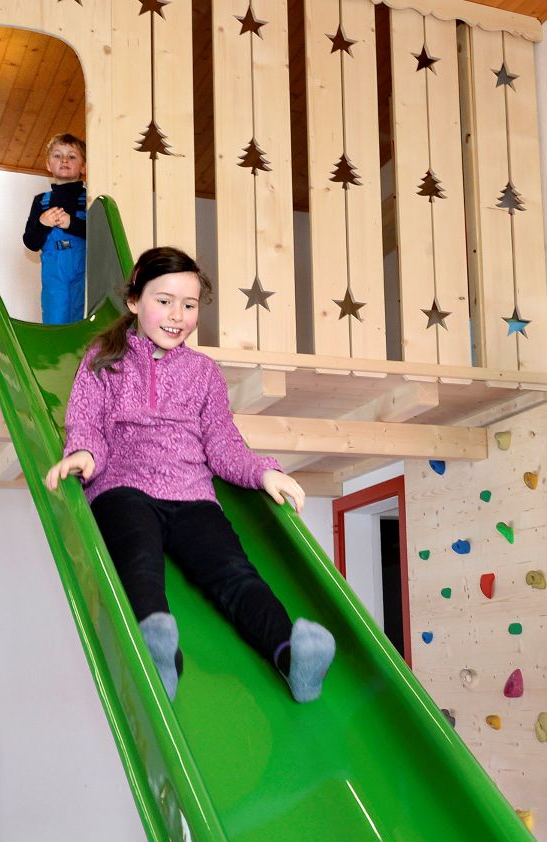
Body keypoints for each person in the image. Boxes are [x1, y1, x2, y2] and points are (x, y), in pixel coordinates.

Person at [44, 247, 334, 703]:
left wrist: (264, 473)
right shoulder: (104, 357)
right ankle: (159, 656)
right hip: (124, 486)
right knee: (139, 562)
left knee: (234, 574)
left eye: (189, 304)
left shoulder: (203, 372)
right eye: (164, 301)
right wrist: (84, 454)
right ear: (135, 301)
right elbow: (87, 420)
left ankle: (290, 657)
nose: (177, 315)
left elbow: (221, 442)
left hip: (192, 495)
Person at [23, 133, 88, 325]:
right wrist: (42, 224)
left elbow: (100, 236)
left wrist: (72, 224)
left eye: (72, 156)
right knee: (55, 318)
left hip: (84, 269)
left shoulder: (89, 198)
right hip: (54, 271)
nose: (65, 160)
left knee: (81, 319)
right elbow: (31, 242)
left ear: (83, 166)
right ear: (48, 165)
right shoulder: (41, 201)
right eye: (58, 155)